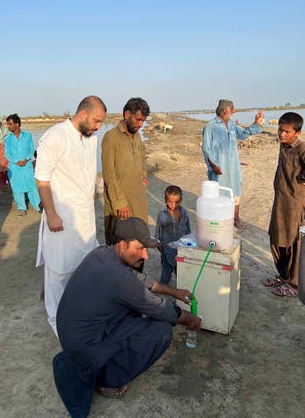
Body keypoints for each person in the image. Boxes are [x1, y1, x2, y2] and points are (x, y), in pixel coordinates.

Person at [53, 217, 201, 418]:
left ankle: (101, 362)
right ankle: (108, 381)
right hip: (84, 348)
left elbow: (140, 280)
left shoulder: (102, 253)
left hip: (75, 337)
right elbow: (159, 308)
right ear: (122, 245)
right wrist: (189, 319)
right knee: (161, 330)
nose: (145, 255)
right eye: (140, 248)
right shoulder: (118, 277)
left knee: (133, 310)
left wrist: (174, 292)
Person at [35, 96, 107, 337]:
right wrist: (52, 214)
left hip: (85, 217)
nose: (98, 127)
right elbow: (42, 179)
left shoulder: (91, 138)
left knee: (85, 267)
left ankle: (80, 313)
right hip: (61, 219)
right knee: (59, 270)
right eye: (96, 121)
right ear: (83, 114)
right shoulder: (55, 137)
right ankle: (57, 322)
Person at [202, 99, 264, 229]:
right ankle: (222, 221)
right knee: (219, 194)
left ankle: (236, 218)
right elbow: (206, 148)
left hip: (234, 166)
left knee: (236, 192)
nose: (234, 111)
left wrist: (256, 123)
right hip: (219, 168)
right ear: (226, 110)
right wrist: (213, 166)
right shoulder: (210, 126)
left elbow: (244, 134)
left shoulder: (231, 125)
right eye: (233, 108)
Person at [263, 112, 305, 298]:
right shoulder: (284, 146)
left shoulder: (301, 149)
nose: (282, 134)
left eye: (287, 132)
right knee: (275, 239)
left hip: (295, 205)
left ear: (298, 132)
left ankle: (294, 284)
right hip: (280, 201)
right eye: (280, 130)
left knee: (293, 244)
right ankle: (283, 276)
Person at [101, 97, 150, 253]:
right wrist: (119, 202)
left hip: (138, 197)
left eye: (143, 121)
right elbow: (109, 174)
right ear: (127, 114)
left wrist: (143, 174)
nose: (141, 125)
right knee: (121, 245)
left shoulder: (137, 136)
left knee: (139, 239)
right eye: (138, 120)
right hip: (121, 203)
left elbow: (142, 156)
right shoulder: (111, 137)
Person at [4, 113, 40, 216]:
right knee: (16, 187)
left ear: (17, 124)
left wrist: (26, 159)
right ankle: (21, 208)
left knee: (31, 185)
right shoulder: (8, 139)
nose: (8, 126)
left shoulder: (27, 136)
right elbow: (7, 154)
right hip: (14, 167)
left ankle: (38, 205)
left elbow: (31, 149)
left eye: (10, 124)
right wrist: (16, 161)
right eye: (8, 124)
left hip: (27, 165)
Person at [155, 185, 191, 284]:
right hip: (167, 251)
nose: (173, 205)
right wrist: (159, 245)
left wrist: (189, 243)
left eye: (176, 202)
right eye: (170, 201)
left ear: (181, 200)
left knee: (181, 276)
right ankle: (163, 291)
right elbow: (158, 231)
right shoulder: (162, 214)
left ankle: (180, 292)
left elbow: (187, 229)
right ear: (165, 200)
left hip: (181, 250)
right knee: (165, 276)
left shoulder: (183, 212)